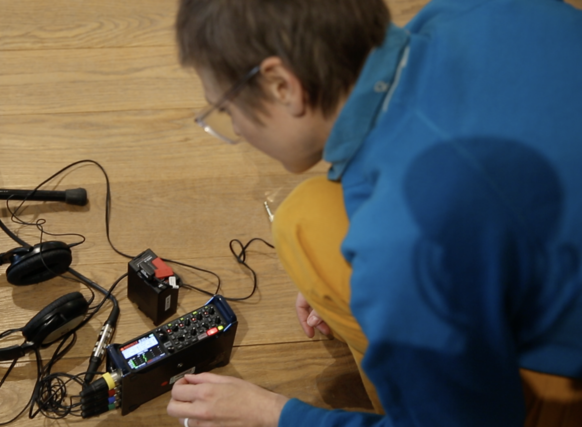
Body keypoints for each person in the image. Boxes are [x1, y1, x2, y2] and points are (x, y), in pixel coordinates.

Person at [166, 0, 582, 426]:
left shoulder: (402, 248)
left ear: (281, 86)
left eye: (227, 109)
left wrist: (274, 415)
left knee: (305, 228)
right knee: (308, 220)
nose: (236, 128)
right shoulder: (478, 9)